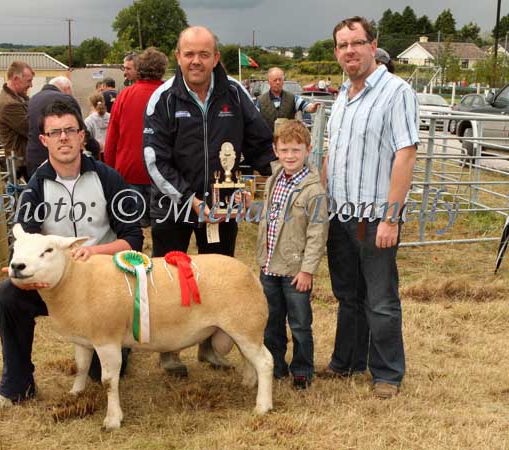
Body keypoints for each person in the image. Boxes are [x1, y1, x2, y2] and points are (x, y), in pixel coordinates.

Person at [0, 100, 143, 412]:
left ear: (83, 136)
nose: (64, 138)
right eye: (55, 132)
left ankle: (112, 340)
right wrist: (25, 276)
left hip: (103, 288)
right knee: (9, 296)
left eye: (70, 130)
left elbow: (133, 239)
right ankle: (16, 385)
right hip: (55, 286)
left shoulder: (109, 179)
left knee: (105, 374)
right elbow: (25, 238)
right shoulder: (35, 188)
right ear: (44, 140)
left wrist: (94, 251)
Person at [143, 26, 274, 377]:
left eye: (204, 54)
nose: (196, 61)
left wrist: (283, 178)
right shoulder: (164, 98)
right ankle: (169, 351)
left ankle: (209, 348)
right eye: (189, 54)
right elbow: (154, 160)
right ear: (178, 56)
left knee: (218, 279)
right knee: (169, 279)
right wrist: (189, 200)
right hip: (174, 206)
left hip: (222, 207)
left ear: (216, 57)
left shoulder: (234, 93)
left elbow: (260, 142)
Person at [323, 16, 419, 398]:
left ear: (372, 45)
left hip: (375, 216)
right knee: (349, 296)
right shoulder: (341, 98)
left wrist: (390, 218)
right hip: (340, 215)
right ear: (337, 52)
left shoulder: (396, 92)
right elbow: (333, 154)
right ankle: (347, 361)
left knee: (380, 299)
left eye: (356, 43)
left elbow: (405, 154)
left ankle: (387, 373)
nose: (350, 51)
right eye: (343, 45)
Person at [243, 119, 328, 390]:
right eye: (285, 150)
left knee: (301, 323)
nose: (290, 156)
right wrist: (250, 207)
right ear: (275, 150)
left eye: (296, 150)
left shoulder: (314, 190)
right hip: (269, 266)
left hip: (295, 271)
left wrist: (307, 270)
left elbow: (317, 234)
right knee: (272, 321)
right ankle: (276, 365)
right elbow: (271, 218)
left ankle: (302, 369)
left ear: (308, 150)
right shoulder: (274, 179)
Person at [104, 47, 168, 228]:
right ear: (162, 68)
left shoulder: (124, 95)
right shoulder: (169, 94)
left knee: (131, 229)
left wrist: (109, 170)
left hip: (129, 170)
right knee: (163, 230)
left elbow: (112, 137)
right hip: (162, 173)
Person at [26, 76, 100, 177]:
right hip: (60, 162)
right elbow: (80, 130)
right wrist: (95, 147)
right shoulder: (66, 99)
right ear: (67, 89)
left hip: (34, 158)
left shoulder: (32, 100)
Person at [0, 61, 34, 180]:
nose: (31, 85)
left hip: (24, 160)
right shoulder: (9, 104)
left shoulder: (17, 98)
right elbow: (31, 129)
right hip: (23, 163)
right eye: (29, 81)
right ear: (16, 79)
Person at [256, 67, 319, 132]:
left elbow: (305, 106)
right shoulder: (260, 100)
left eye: (280, 79)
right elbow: (255, 120)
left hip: (287, 140)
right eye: (275, 80)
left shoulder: (292, 98)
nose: (278, 82)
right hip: (268, 140)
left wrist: (313, 107)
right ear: (269, 81)